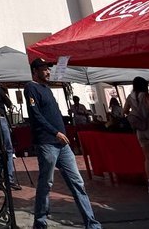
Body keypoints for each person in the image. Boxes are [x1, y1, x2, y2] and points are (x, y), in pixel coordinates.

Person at [25, 58, 102, 229]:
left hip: (63, 144)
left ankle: (92, 223)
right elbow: (35, 115)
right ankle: (40, 223)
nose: (47, 72)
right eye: (43, 69)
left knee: (77, 183)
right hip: (47, 143)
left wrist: (62, 132)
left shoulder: (47, 89)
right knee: (46, 184)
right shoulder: (31, 88)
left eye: (47, 69)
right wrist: (55, 132)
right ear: (35, 71)